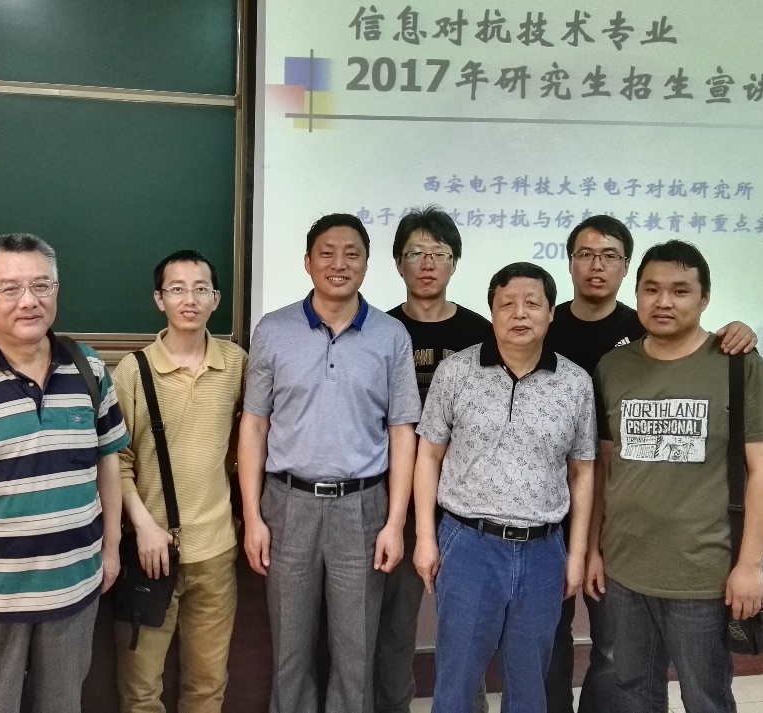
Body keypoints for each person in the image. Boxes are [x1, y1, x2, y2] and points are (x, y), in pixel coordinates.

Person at [543, 216, 757, 713]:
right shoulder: (545, 325)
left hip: (629, 524)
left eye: (610, 255)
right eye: (585, 254)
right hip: (551, 512)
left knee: (621, 656)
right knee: (556, 642)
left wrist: (740, 330)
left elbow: (762, 466)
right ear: (570, 262)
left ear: (625, 269)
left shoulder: (652, 329)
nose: (596, 265)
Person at [0, 233, 129, 713]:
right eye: (11, 288)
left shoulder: (90, 369)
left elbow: (109, 462)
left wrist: (111, 550)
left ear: (57, 290)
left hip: (74, 586)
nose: (29, 301)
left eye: (42, 285)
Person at [589, 240, 763, 713]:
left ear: (704, 299)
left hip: (703, 574)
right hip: (625, 569)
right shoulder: (613, 367)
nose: (664, 301)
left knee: (706, 697)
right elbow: (604, 468)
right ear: (636, 295)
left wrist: (749, 566)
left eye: (680, 291)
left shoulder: (738, 363)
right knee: (632, 692)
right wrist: (595, 548)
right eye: (651, 289)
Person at [239, 213, 420, 713]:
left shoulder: (391, 336)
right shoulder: (273, 330)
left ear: (366, 263)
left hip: (363, 509)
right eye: (327, 253)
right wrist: (253, 517)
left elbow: (402, 433)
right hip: (287, 505)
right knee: (290, 650)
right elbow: (254, 426)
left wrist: (395, 523)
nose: (339, 264)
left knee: (355, 653)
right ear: (307, 262)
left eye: (351, 254)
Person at [413, 262, 595, 713]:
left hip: (543, 551)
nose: (520, 313)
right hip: (468, 545)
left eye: (532, 303)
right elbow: (428, 456)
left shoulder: (575, 383)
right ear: (491, 312)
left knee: (530, 686)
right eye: (507, 303)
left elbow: (583, 473)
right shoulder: (456, 372)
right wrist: (424, 538)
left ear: (551, 313)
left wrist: (575, 555)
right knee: (456, 683)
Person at [112, 250, 245, 713]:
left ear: (216, 299)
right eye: (177, 289)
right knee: (140, 690)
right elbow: (116, 460)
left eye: (200, 288)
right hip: (150, 553)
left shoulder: (236, 364)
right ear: (159, 299)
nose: (190, 299)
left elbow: (245, 446)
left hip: (216, 551)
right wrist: (143, 525)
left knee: (207, 685)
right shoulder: (133, 371)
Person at [380, 206, 491, 713]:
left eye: (439, 254)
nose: (427, 264)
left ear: (455, 262)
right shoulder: (380, 331)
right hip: (396, 503)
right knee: (394, 626)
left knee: (466, 630)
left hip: (467, 506)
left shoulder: (483, 333)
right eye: (415, 253)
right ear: (398, 263)